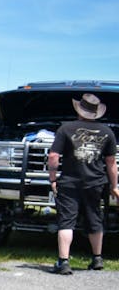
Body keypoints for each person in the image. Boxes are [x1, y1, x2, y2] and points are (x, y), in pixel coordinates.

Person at [47, 92, 119, 274]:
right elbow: (111, 163)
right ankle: (97, 259)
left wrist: (53, 178)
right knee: (95, 219)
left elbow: (54, 156)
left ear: (79, 110)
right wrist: (115, 186)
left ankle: (63, 262)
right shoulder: (107, 132)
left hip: (70, 183)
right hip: (96, 183)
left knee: (66, 221)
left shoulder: (65, 128)